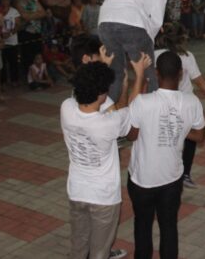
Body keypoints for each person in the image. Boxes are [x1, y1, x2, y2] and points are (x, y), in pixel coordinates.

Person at [61, 56, 149, 259]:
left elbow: (85, 90)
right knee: (99, 252)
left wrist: (99, 68)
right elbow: (132, 110)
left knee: (78, 246)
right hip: (103, 197)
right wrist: (139, 75)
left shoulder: (66, 108)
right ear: (102, 93)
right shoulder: (108, 123)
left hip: (76, 191)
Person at [126, 51, 205, 259]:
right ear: (180, 74)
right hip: (172, 178)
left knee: (142, 227)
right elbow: (199, 136)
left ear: (156, 73)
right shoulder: (192, 102)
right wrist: (178, 126)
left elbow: (131, 135)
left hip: (142, 178)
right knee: (169, 227)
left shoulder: (143, 102)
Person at [154, 23, 205, 188]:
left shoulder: (155, 55)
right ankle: (185, 174)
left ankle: (164, 171)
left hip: (162, 103)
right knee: (191, 138)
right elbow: (201, 83)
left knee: (164, 137)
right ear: (182, 38)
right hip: (186, 105)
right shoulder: (187, 56)